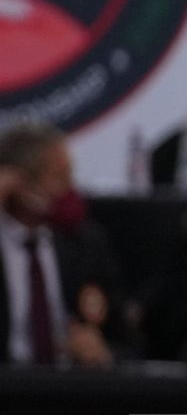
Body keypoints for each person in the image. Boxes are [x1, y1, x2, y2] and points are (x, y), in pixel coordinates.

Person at [0, 120, 128, 368]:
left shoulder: (87, 244)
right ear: (19, 183)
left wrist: (101, 353)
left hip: (67, 391)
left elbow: (127, 343)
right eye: (59, 177)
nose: (70, 190)